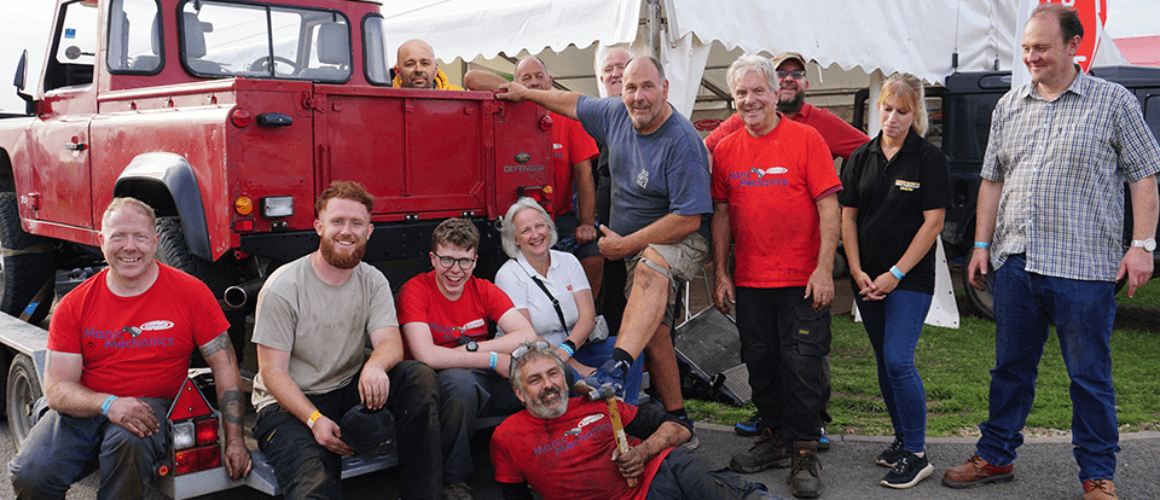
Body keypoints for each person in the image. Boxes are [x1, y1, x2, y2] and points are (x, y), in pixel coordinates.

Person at [942, 5, 1160, 500]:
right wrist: (981, 244)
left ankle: (1097, 475)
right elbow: (992, 180)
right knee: (1009, 369)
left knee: (1088, 377)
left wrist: (1142, 245)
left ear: (1072, 45)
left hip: (1084, 267)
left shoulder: (1114, 102)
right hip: (1016, 262)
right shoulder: (1010, 105)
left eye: (1040, 47)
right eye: (1025, 48)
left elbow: (1144, 175)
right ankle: (995, 456)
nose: (1031, 57)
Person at [495, 55, 712, 444]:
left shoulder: (682, 142)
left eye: (647, 87)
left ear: (665, 89)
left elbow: (689, 219)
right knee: (656, 332)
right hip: (631, 246)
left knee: (652, 263)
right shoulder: (615, 113)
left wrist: (625, 244)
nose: (638, 97)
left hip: (681, 239)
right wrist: (526, 92)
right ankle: (680, 420)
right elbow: (572, 102)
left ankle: (617, 365)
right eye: (631, 88)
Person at [8, 198, 251, 499]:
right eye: (118, 236)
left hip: (150, 405)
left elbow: (225, 366)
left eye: (140, 237)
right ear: (101, 241)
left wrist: (236, 440)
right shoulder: (74, 304)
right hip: (85, 407)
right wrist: (109, 404)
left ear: (155, 241)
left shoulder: (191, 294)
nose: (130, 247)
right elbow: (57, 389)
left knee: (129, 443)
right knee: (30, 474)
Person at [707, 51, 869, 444]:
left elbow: (828, 207)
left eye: (758, 91)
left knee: (802, 364)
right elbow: (722, 214)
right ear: (733, 100)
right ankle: (773, 435)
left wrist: (823, 269)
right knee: (760, 362)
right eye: (741, 93)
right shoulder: (727, 150)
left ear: (775, 93)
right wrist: (721, 273)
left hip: (802, 278)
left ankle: (805, 448)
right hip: (750, 280)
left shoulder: (808, 138)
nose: (750, 100)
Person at [250, 181, 442, 500]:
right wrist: (314, 420)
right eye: (337, 222)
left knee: (418, 378)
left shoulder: (372, 279)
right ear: (318, 226)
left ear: (369, 231)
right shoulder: (283, 287)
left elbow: (391, 342)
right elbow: (273, 373)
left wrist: (374, 367)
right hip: (288, 404)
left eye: (356, 223)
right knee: (314, 485)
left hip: (346, 388)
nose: (346, 231)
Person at [490, 341, 786, 500]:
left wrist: (642, 453)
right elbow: (514, 494)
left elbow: (680, 427)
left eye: (553, 374)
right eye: (535, 380)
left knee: (693, 468)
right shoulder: (507, 437)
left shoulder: (601, 405)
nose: (549, 385)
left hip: (659, 476)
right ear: (519, 392)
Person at [839, 73, 951, 489]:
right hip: (866, 279)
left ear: (916, 112)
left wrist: (895, 274)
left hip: (909, 278)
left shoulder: (928, 158)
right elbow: (847, 215)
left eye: (902, 111)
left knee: (900, 360)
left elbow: (933, 222)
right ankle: (902, 439)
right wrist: (855, 269)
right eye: (887, 109)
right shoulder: (861, 157)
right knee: (886, 361)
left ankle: (918, 454)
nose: (892, 118)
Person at [398, 218, 541, 500]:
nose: (455, 271)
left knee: (554, 375)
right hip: (438, 384)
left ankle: (543, 463)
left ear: (475, 262)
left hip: (481, 377)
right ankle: (453, 480)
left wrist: (476, 351)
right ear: (432, 258)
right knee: (459, 382)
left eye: (464, 262)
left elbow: (527, 335)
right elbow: (425, 354)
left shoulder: (483, 289)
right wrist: (491, 360)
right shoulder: (415, 290)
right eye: (447, 260)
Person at [465, 57, 602, 289]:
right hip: (513, 220)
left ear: (550, 81)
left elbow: (584, 174)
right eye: (525, 78)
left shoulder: (569, 119)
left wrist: (586, 223)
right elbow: (471, 78)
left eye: (539, 77)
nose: (534, 82)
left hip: (558, 216)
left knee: (594, 252)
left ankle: (586, 318)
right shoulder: (504, 114)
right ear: (514, 83)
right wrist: (521, 93)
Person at [493, 198, 644, 404]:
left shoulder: (568, 261)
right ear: (515, 239)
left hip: (574, 346)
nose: (536, 235)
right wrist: (576, 366)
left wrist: (567, 349)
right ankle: (592, 425)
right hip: (533, 356)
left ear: (549, 227)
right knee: (573, 376)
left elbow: (587, 317)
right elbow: (527, 336)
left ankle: (628, 415)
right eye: (526, 230)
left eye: (540, 226)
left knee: (628, 350)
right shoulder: (509, 275)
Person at [704, 51, 869, 161]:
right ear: (771, 86)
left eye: (797, 74)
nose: (789, 78)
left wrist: (853, 201)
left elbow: (872, 154)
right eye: (781, 73)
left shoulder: (823, 122)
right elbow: (704, 150)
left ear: (806, 85)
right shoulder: (745, 118)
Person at [393, 39, 464, 90]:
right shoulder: (387, 100)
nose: (418, 70)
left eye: (425, 63)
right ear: (397, 71)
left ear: (436, 69)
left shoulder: (458, 96)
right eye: (410, 64)